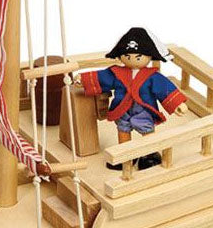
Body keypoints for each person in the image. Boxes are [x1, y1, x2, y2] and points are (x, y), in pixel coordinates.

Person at [76, 27, 188, 170]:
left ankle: (149, 154)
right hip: (122, 109)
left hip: (143, 109)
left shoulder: (152, 76)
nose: (133, 59)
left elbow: (164, 88)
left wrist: (177, 103)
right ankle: (125, 154)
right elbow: (102, 77)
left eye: (138, 56)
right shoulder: (116, 73)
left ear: (149, 56)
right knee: (123, 130)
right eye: (127, 56)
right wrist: (83, 79)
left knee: (147, 130)